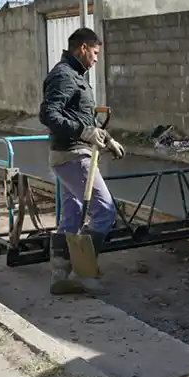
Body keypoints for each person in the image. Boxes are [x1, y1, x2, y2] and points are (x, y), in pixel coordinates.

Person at [39, 27, 125, 295]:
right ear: (83, 49)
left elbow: (85, 118)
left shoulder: (76, 76)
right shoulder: (65, 76)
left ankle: (60, 274)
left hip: (70, 155)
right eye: (95, 53)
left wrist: (106, 138)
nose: (97, 59)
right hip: (74, 155)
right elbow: (47, 114)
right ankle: (83, 272)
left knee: (73, 214)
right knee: (105, 210)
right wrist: (84, 132)